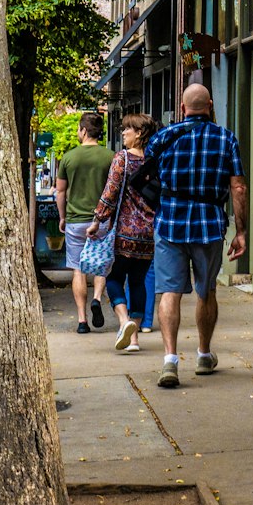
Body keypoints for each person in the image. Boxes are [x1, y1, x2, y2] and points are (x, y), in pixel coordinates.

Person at [143, 82, 247, 388]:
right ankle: (203, 354)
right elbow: (238, 186)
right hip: (209, 224)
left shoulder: (163, 138)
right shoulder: (226, 138)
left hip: (170, 223)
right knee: (206, 289)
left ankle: (170, 361)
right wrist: (241, 231)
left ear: (183, 109)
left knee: (169, 292)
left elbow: (148, 177)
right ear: (210, 106)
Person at [86, 112, 157, 352]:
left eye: (128, 129)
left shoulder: (122, 159)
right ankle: (133, 340)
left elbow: (110, 192)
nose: (123, 133)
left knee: (113, 278)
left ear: (139, 133)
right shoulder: (155, 160)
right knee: (138, 282)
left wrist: (97, 221)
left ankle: (124, 321)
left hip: (124, 234)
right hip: (149, 235)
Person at [57, 111, 113, 334]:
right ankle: (97, 298)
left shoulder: (69, 158)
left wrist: (62, 217)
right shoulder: (111, 157)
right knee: (101, 265)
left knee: (78, 270)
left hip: (75, 221)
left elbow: (60, 191)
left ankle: (82, 321)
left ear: (83, 130)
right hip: (102, 220)